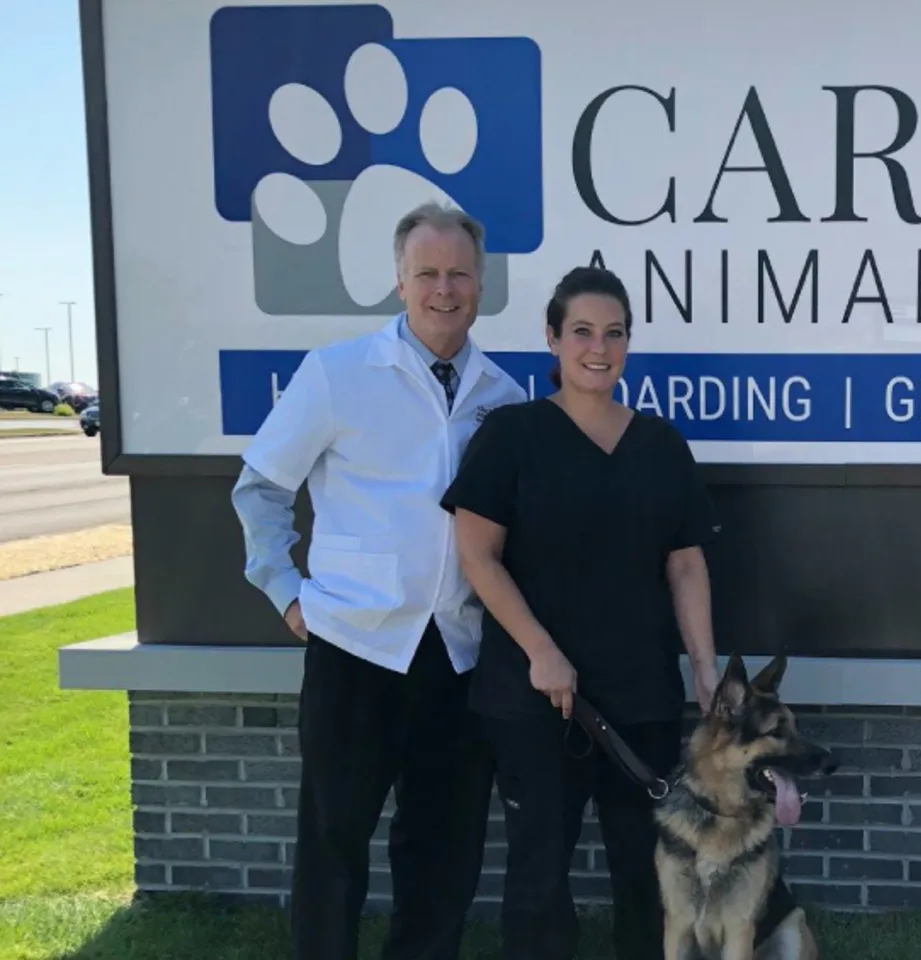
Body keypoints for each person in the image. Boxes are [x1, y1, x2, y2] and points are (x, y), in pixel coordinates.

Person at [231, 201, 528, 960]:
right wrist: (286, 592)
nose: (444, 288)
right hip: (352, 652)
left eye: (459, 272)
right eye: (426, 272)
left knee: (443, 853)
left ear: (481, 283)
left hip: (457, 657)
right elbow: (261, 487)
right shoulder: (336, 374)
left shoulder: (504, 397)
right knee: (333, 843)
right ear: (398, 281)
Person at [439, 264, 722, 960]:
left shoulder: (661, 445)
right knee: (538, 880)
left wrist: (706, 671)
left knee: (647, 877)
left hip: (641, 697)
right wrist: (540, 648)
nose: (600, 348)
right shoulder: (512, 435)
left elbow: (685, 563)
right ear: (553, 339)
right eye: (583, 332)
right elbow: (479, 555)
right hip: (534, 699)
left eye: (615, 333)